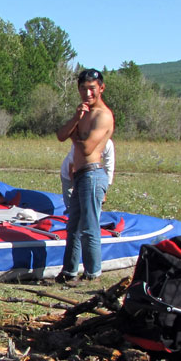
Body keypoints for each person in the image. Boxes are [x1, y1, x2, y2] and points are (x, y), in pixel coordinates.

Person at [55, 68, 115, 284]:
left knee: (89, 226)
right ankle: (69, 272)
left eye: (91, 89)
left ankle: (93, 274)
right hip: (79, 175)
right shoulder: (83, 112)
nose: (87, 93)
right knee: (73, 226)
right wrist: (76, 118)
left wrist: (74, 133)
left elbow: (88, 148)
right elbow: (61, 134)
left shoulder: (103, 115)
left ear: (101, 88)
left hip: (93, 174)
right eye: (83, 89)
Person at [61, 138, 115, 213]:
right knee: (72, 206)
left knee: (91, 206)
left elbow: (109, 167)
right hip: (69, 174)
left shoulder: (108, 144)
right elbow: (72, 167)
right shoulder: (82, 139)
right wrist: (76, 189)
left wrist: (104, 192)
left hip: (88, 175)